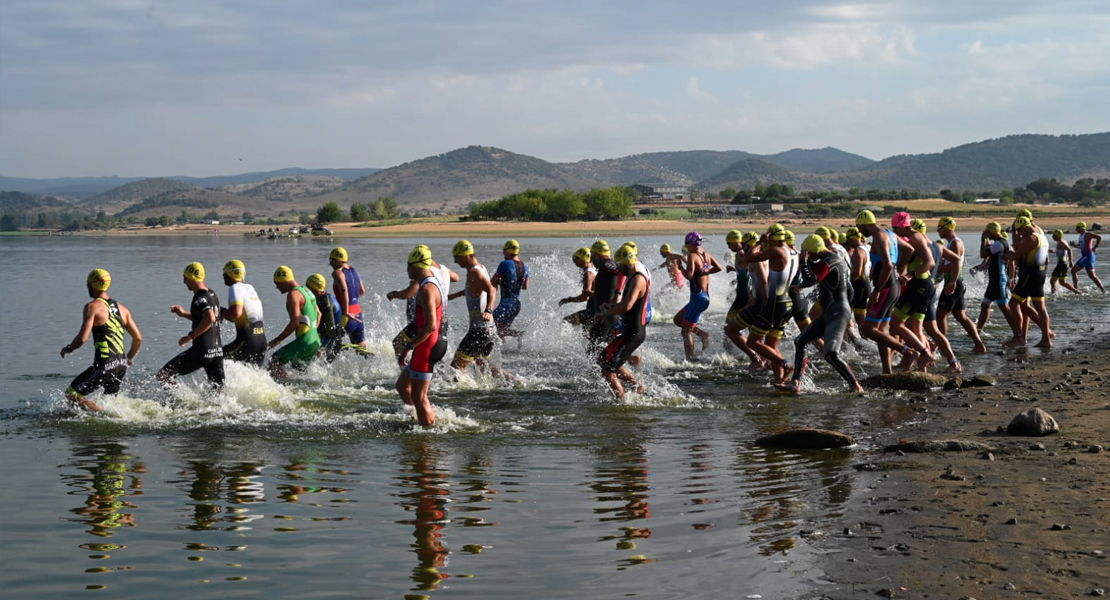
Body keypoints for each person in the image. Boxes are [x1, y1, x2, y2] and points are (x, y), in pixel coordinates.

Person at [776, 235, 863, 394]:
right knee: (801, 341)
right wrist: (802, 280)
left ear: (815, 251)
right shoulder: (827, 259)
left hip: (838, 311)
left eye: (809, 253)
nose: (809, 256)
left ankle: (855, 385)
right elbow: (814, 274)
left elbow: (812, 279)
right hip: (830, 311)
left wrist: (803, 261)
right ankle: (796, 383)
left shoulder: (831, 260)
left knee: (831, 354)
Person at [60, 269, 142, 412]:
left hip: (105, 364)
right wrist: (129, 358)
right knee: (110, 404)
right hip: (121, 365)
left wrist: (69, 348)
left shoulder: (92, 307)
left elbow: (82, 338)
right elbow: (138, 339)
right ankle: (112, 419)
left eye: (88, 284)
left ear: (93, 284)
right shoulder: (123, 309)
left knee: (71, 396)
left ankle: (107, 418)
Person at [854, 210, 921, 374]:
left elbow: (888, 265)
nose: (859, 231)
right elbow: (909, 249)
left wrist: (877, 289)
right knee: (882, 331)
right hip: (893, 285)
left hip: (885, 287)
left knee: (868, 330)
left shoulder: (879, 237)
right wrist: (901, 269)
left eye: (858, 227)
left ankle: (907, 352)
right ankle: (887, 370)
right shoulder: (889, 234)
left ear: (864, 224)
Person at [396, 246, 448, 428]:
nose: (407, 270)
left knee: (420, 396)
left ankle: (428, 435)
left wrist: (408, 347)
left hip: (428, 345)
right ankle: (419, 417)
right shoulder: (435, 282)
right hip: (435, 342)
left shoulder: (426, 289)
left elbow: (430, 325)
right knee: (402, 385)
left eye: (408, 265)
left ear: (417, 266)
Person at [742, 225, 798, 383]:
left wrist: (759, 242)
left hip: (775, 303)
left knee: (752, 341)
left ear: (772, 236)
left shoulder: (776, 251)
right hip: (787, 302)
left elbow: (748, 257)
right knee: (771, 345)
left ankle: (786, 365)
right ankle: (780, 381)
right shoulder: (794, 252)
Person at [448, 240, 510, 378]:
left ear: (465, 255)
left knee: (456, 368)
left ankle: (461, 394)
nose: (455, 261)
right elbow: (475, 289)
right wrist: (453, 296)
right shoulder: (480, 268)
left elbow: (491, 290)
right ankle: (516, 382)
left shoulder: (474, 272)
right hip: (488, 329)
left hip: (480, 329)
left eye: (456, 257)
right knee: (484, 366)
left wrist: (488, 310)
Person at [597, 243, 651, 400]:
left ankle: (620, 402)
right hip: (630, 331)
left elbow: (627, 306)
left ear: (627, 262)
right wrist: (610, 306)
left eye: (620, 264)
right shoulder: (634, 275)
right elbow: (625, 303)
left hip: (633, 333)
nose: (619, 268)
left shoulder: (638, 280)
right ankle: (636, 385)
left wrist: (606, 312)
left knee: (608, 370)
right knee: (603, 359)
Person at [387, 247, 458, 366]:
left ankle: (405, 369)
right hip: (442, 318)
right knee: (432, 353)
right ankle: (447, 376)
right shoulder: (443, 270)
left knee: (399, 343)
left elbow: (410, 292)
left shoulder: (426, 274)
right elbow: (456, 277)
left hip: (426, 320)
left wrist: (394, 294)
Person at [159, 262, 224, 388]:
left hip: (202, 350)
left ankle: (181, 401)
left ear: (192, 278)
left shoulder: (199, 297)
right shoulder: (212, 294)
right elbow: (207, 318)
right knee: (218, 389)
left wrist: (191, 337)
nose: (184, 281)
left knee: (163, 375)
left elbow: (210, 318)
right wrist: (183, 314)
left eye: (185, 277)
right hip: (217, 350)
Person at [934, 217, 988, 353]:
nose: (938, 231)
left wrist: (938, 270)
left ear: (947, 228)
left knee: (940, 315)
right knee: (961, 316)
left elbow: (955, 264)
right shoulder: (951, 243)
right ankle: (979, 345)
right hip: (955, 283)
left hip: (954, 283)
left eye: (939, 228)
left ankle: (941, 345)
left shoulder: (955, 244)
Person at [668, 231, 722, 360]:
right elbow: (719, 268)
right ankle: (702, 334)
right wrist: (704, 272)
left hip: (698, 299)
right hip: (703, 297)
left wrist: (680, 267)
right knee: (678, 320)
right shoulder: (707, 255)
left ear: (690, 245)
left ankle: (690, 360)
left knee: (685, 332)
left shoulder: (692, 256)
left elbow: (690, 275)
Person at [1004, 216, 1052, 348]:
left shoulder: (1031, 238)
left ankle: (1019, 337)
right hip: (1040, 274)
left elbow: (1015, 255)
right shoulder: (1042, 237)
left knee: (1013, 304)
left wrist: (1006, 255)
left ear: (1025, 226)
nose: (1019, 233)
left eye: (1019, 230)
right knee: (1041, 308)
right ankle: (1046, 339)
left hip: (1029, 275)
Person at [267, 266, 321, 380]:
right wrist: (312, 332)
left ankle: (288, 388)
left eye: (277, 283)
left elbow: (295, 322)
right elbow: (319, 314)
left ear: (285, 280)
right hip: (315, 341)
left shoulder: (293, 294)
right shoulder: (307, 291)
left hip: (304, 341)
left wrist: (276, 341)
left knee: (273, 362)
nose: (276, 287)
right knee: (300, 375)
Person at [723, 230, 764, 368]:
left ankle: (752, 357)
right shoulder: (745, 254)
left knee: (729, 329)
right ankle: (759, 356)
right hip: (743, 295)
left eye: (729, 243)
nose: (728, 246)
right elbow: (748, 270)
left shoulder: (742, 254)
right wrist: (735, 269)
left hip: (744, 297)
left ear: (737, 241)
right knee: (752, 329)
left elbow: (753, 270)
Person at [219, 260, 267, 366]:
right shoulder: (250, 288)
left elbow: (236, 314)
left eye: (224, 273)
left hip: (247, 340)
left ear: (230, 273)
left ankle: (218, 383)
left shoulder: (235, 288)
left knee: (214, 357)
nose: (223, 276)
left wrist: (222, 312)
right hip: (261, 341)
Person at [976, 222, 1019, 335]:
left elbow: (983, 254)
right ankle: (978, 331)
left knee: (1004, 307)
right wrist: (1011, 278)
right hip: (995, 280)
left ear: (991, 232)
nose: (986, 234)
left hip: (999, 279)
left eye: (987, 232)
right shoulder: (1004, 243)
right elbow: (1012, 261)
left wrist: (983, 240)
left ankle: (1017, 333)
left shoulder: (999, 244)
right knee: (985, 305)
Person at [586, 240, 623, 354]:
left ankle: (599, 372)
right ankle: (631, 360)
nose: (591, 259)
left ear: (598, 254)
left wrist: (617, 294)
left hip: (608, 315)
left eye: (592, 255)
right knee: (602, 350)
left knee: (594, 351)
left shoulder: (607, 264)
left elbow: (621, 272)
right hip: (607, 314)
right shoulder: (606, 265)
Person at [329, 247, 368, 351]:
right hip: (358, 314)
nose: (330, 263)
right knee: (361, 350)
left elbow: (344, 290)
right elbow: (362, 291)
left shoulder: (337, 272)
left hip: (346, 315)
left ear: (338, 260)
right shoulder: (354, 270)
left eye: (331, 260)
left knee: (327, 345)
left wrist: (346, 310)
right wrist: (352, 300)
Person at [490, 240, 530, 340]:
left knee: (489, 325)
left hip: (507, 304)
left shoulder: (504, 264)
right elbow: (525, 286)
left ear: (508, 251)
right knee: (501, 329)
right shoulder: (525, 266)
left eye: (504, 251)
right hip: (517, 304)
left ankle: (518, 334)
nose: (503, 253)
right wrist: (505, 283)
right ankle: (502, 349)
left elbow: (492, 282)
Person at [306, 273, 345, 361]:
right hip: (329, 340)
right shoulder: (324, 298)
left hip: (332, 344)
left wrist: (322, 347)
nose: (307, 290)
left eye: (308, 287)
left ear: (316, 289)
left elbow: (331, 328)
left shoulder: (325, 302)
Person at [560, 247, 596, 325]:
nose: (575, 261)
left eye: (577, 259)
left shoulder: (588, 274)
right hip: (594, 309)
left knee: (566, 321)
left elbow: (585, 297)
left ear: (584, 259)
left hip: (593, 311)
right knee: (586, 333)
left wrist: (568, 300)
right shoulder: (593, 267)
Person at [1071, 221, 1106, 292]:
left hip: (1087, 256)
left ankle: (1075, 289)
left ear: (1082, 228)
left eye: (1077, 228)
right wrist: (1074, 246)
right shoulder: (1081, 236)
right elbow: (1081, 247)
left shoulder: (1087, 234)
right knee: (1092, 276)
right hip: (1088, 257)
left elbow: (1099, 237)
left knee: (1073, 271)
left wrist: (1096, 247)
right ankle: (1103, 290)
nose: (1076, 229)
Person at [1050, 229, 1083, 295]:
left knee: (1052, 281)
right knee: (1062, 282)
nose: (1052, 236)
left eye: (1054, 235)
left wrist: (1071, 261)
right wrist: (1054, 251)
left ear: (1058, 236)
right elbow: (1062, 250)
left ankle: (1053, 295)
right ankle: (1077, 292)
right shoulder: (1061, 242)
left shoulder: (1062, 242)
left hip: (1062, 264)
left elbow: (1069, 250)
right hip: (1063, 264)